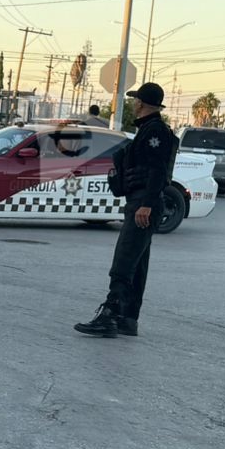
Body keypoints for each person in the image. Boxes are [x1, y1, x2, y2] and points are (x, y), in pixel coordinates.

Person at [75, 82, 179, 338]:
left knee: (124, 260)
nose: (133, 104)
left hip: (144, 202)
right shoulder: (149, 129)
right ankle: (127, 318)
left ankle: (109, 315)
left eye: (135, 101)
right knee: (137, 262)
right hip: (141, 200)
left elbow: (157, 170)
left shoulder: (155, 132)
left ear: (141, 103)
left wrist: (146, 204)